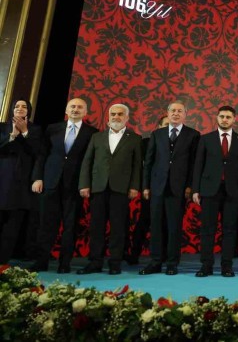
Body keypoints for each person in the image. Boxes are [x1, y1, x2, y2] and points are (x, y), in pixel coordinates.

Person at [30, 98, 97, 273]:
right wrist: (38, 178)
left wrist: (86, 184)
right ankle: (41, 261)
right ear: (66, 110)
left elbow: (91, 162)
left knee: (70, 226)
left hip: (74, 185)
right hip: (50, 182)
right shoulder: (53, 129)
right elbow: (42, 154)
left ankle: (64, 263)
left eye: (80, 107)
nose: (75, 109)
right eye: (72, 106)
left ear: (85, 112)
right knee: (46, 224)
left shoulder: (92, 133)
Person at [77, 103, 141, 275]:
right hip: (98, 187)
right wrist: (84, 184)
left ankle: (115, 263)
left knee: (118, 228)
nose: (116, 117)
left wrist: (134, 186)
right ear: (109, 116)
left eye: (120, 114)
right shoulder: (97, 137)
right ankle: (95, 262)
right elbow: (87, 161)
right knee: (96, 227)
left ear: (127, 118)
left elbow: (137, 166)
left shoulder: (135, 138)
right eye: (113, 114)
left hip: (121, 189)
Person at [139, 102, 200, 276]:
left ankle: (172, 263)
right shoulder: (157, 134)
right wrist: (146, 186)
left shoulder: (193, 135)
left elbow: (194, 164)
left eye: (180, 111)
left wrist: (190, 186)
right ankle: (155, 262)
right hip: (157, 187)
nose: (176, 113)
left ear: (185, 114)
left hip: (179, 188)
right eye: (173, 110)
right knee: (156, 226)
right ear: (167, 113)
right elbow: (149, 162)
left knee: (174, 227)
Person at [192, 106, 238, 277]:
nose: (224, 119)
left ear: (234, 119)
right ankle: (206, 265)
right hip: (209, 190)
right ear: (217, 117)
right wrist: (195, 189)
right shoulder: (205, 139)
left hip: (233, 191)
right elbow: (198, 165)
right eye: (222, 116)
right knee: (207, 229)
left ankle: (227, 266)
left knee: (230, 230)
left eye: (228, 117)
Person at [0, 99, 41, 264]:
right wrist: (12, 136)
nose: (20, 108)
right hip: (2, 179)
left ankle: (2, 262)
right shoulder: (2, 127)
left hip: (21, 184)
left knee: (12, 227)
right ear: (12, 109)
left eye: (24, 106)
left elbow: (39, 152)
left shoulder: (35, 130)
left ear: (29, 110)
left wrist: (24, 132)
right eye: (17, 106)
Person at [126, 116, 169, 265]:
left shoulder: (177, 142)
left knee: (167, 223)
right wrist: (145, 186)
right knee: (144, 221)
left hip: (170, 189)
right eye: (165, 124)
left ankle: (164, 255)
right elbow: (142, 166)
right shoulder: (146, 142)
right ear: (159, 126)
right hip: (150, 189)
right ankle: (134, 253)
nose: (168, 127)